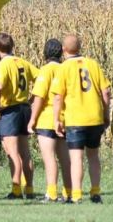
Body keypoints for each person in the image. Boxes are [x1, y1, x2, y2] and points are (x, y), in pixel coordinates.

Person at [52, 34, 111, 204]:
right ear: (80, 47)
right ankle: (95, 192)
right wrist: (106, 114)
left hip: (75, 118)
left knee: (76, 158)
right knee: (93, 155)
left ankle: (76, 195)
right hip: (94, 117)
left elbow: (58, 97)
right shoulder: (93, 64)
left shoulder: (63, 68)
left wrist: (57, 119)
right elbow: (105, 91)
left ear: (63, 49)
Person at [0, 33, 39, 199]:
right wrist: (32, 98)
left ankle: (16, 189)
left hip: (10, 109)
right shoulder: (22, 62)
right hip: (24, 108)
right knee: (25, 152)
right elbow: (41, 78)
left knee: (12, 153)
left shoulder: (3, 65)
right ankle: (30, 189)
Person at [27, 39, 72, 202]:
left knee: (49, 157)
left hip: (46, 119)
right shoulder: (66, 69)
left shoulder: (45, 70)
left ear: (45, 52)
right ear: (61, 52)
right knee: (65, 159)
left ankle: (51, 193)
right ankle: (68, 192)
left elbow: (39, 97)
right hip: (64, 118)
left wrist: (32, 120)